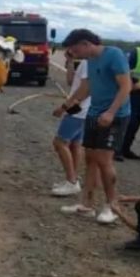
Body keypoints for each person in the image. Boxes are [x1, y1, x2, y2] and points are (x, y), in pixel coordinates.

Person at [54, 29, 132, 224]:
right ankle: (86, 205)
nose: (75, 54)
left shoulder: (114, 55)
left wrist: (111, 112)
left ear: (86, 43)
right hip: (94, 114)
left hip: (115, 116)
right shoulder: (90, 60)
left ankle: (111, 206)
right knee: (90, 159)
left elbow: (126, 86)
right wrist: (66, 106)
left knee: (104, 160)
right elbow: (86, 88)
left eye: (75, 50)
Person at [50, 50, 91, 196]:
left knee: (59, 143)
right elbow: (71, 82)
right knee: (74, 145)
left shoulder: (88, 63)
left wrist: (64, 107)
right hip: (82, 111)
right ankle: (73, 180)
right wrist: (70, 62)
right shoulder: (84, 62)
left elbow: (86, 89)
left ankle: (72, 181)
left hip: (79, 110)